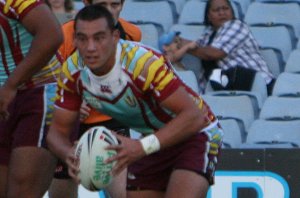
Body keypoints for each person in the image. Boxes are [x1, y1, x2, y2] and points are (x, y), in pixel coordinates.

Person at [47, 4, 223, 198]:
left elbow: (194, 117)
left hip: (195, 133)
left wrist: (141, 147)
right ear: (74, 40)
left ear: (115, 38)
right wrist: (71, 156)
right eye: (82, 39)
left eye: (99, 38)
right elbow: (56, 133)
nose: (90, 47)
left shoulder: (143, 64)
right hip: (152, 137)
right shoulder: (72, 71)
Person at [48, 0, 142, 197]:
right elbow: (49, 81)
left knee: (124, 194)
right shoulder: (64, 35)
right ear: (86, 3)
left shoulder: (132, 33)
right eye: (101, 4)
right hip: (69, 125)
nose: (108, 11)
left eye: (115, 4)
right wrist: (72, 98)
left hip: (110, 122)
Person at [0, 0, 63, 197]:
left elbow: (52, 35)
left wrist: (11, 84)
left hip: (41, 92)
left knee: (22, 192)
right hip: (5, 99)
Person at [177, 0, 275, 94]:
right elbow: (196, 48)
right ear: (208, 16)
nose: (222, 13)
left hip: (259, 86)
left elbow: (214, 53)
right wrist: (177, 45)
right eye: (216, 10)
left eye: (225, 9)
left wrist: (182, 45)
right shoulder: (207, 35)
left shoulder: (237, 26)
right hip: (231, 88)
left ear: (232, 12)